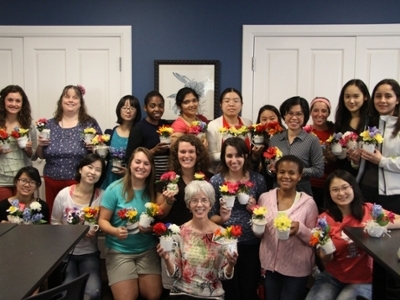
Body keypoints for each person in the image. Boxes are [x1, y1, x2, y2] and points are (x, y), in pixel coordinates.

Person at [306, 170, 400, 300]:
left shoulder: (369, 210)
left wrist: (378, 225)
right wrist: (326, 250)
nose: (341, 193)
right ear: (329, 193)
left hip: (364, 280)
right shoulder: (324, 220)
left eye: (345, 187)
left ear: (353, 187)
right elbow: (325, 258)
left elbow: (398, 220)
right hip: (333, 277)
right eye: (335, 190)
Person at [98, 147, 162, 300]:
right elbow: (102, 221)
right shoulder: (114, 189)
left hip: (147, 249)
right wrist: (115, 231)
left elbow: (161, 218)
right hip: (120, 251)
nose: (141, 167)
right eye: (137, 162)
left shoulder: (154, 190)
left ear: (151, 167)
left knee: (153, 295)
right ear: (130, 164)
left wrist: (151, 229)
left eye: (146, 164)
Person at [157, 180, 238, 300]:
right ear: (189, 205)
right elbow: (176, 274)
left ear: (210, 204)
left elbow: (223, 275)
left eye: (204, 200)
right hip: (182, 293)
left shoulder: (224, 235)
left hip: (212, 295)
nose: (199, 205)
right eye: (194, 200)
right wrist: (167, 260)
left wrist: (231, 264)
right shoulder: (178, 232)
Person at [209, 137, 267, 300]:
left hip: (251, 243)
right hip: (225, 244)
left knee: (249, 289)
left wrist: (255, 209)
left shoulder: (258, 179)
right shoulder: (216, 181)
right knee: (229, 290)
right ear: (223, 157)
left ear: (246, 156)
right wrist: (222, 217)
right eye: (229, 156)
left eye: (238, 155)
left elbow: (265, 214)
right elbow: (210, 218)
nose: (234, 160)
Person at [155, 134, 213, 293]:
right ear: (176, 154)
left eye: (191, 151)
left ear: (197, 154)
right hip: (173, 241)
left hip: (199, 241)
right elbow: (159, 214)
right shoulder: (167, 179)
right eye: (182, 152)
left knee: (198, 283)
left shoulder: (208, 179)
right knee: (173, 285)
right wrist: (169, 201)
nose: (187, 155)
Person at [258, 155, 318, 300]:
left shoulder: (308, 203)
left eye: (291, 173)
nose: (286, 176)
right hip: (270, 266)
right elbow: (261, 233)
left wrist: (300, 229)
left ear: (299, 176)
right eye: (282, 172)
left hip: (296, 269)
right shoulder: (264, 198)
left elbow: (315, 239)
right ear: (276, 173)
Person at [35, 84, 102, 213]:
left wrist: (94, 148)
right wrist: (40, 145)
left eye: (75, 97)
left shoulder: (89, 123)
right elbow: (41, 155)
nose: (71, 100)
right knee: (54, 218)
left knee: (76, 218)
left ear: (80, 103)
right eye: (67, 97)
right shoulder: (49, 124)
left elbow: (100, 154)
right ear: (61, 101)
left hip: (78, 183)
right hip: (51, 180)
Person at [51, 153, 106, 300]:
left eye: (98, 170)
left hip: (89, 253)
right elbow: (54, 222)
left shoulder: (103, 196)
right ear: (80, 169)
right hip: (66, 253)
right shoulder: (64, 195)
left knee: (92, 294)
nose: (93, 172)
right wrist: (70, 231)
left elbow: (104, 223)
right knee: (67, 295)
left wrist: (95, 229)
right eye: (90, 167)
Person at [357, 79, 400, 214]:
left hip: (393, 194)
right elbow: (364, 162)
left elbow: (379, 159)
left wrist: (382, 161)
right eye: (378, 96)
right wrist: (355, 160)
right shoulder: (368, 123)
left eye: (388, 96)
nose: (382, 100)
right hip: (365, 189)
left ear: (397, 99)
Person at [268, 96, 324, 196]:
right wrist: (271, 169)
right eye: (290, 113)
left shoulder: (312, 140)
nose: (294, 117)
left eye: (299, 114)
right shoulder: (275, 139)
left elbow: (319, 171)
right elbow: (269, 168)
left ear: (305, 117)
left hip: (302, 191)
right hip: (278, 191)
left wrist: (296, 171)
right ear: (284, 116)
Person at [0, 85, 37, 200]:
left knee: (25, 215)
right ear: (3, 101)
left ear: (22, 104)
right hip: (1, 181)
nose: (14, 104)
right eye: (10, 100)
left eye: (18, 101)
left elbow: (35, 156)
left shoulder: (29, 125)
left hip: (24, 181)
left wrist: (29, 150)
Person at [126, 91, 170, 180]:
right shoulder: (139, 128)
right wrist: (153, 151)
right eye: (152, 106)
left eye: (161, 106)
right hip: (147, 178)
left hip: (167, 178)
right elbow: (130, 157)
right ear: (145, 108)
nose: (157, 109)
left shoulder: (167, 126)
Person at [207, 88, 252, 173]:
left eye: (236, 101)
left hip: (246, 172)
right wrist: (232, 156)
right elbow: (211, 156)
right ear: (221, 104)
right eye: (227, 101)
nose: (231, 104)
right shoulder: (213, 126)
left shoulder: (248, 123)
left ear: (241, 104)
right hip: (221, 172)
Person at [102, 95, 141, 189]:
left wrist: (128, 172)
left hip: (129, 181)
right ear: (119, 110)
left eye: (132, 108)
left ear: (137, 111)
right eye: (125, 108)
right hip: (108, 178)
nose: (128, 111)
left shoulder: (139, 135)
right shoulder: (110, 133)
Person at [334, 79, 370, 176]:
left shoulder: (371, 121)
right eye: (347, 97)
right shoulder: (340, 121)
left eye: (356, 96)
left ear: (365, 97)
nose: (351, 101)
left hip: (367, 178)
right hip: (345, 176)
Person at [308, 97, 338, 211]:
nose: (319, 114)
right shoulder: (305, 132)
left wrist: (333, 158)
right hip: (309, 184)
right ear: (310, 112)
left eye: (324, 111)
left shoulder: (335, 132)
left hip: (330, 184)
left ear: (329, 113)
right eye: (315, 110)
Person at [251, 104, 284, 190]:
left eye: (272, 119)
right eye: (264, 119)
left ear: (278, 119)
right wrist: (255, 156)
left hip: (282, 182)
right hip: (262, 182)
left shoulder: (286, 136)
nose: (268, 122)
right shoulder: (256, 138)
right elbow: (251, 167)